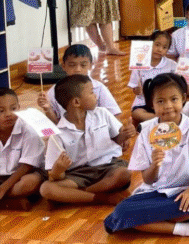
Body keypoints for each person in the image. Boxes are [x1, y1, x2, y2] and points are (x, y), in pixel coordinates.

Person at [103, 73, 189, 237]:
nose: (168, 106)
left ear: (183, 98)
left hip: (183, 191)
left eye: (174, 99)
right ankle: (187, 229)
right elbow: (148, 180)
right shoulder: (146, 132)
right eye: (160, 101)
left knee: (184, 211)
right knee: (122, 211)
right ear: (151, 104)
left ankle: (162, 220)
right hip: (153, 192)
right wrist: (154, 165)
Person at [41, 75, 135, 205]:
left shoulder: (102, 113)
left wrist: (125, 135)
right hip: (78, 174)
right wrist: (58, 170)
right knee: (46, 188)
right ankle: (101, 198)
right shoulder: (57, 133)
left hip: (108, 166)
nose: (95, 96)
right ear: (76, 102)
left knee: (124, 173)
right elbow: (54, 176)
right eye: (91, 92)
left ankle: (78, 195)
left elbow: (117, 139)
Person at [38, 44, 121, 124]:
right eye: (72, 65)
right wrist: (48, 109)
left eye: (83, 65)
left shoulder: (99, 88)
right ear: (63, 66)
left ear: (91, 65)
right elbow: (55, 124)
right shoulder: (53, 92)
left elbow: (114, 115)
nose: (78, 69)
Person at [0, 87, 45, 209]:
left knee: (29, 183)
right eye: (1, 111)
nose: (8, 114)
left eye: (13, 109)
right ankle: (9, 203)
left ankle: (5, 201)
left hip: (24, 174)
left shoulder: (29, 130)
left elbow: (27, 166)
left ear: (19, 108)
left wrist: (3, 188)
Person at [129, 30, 177, 126]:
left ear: (167, 50)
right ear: (149, 44)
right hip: (143, 102)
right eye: (157, 45)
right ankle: (159, 118)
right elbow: (134, 88)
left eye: (164, 47)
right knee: (136, 113)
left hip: (164, 102)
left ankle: (156, 119)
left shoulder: (172, 65)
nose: (160, 49)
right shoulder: (139, 64)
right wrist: (137, 90)